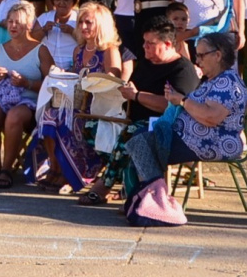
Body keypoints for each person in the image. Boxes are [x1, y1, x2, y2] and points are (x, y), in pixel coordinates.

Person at [117, 33, 247, 225]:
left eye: (202, 55)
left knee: (140, 141)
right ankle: (150, 201)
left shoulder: (226, 83)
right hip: (195, 139)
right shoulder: (215, 80)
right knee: (139, 139)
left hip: (213, 142)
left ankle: (157, 202)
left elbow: (211, 117)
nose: (198, 60)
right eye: (198, 55)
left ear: (218, 55)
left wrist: (183, 100)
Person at [78, 20, 198, 205]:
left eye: (150, 43)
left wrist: (137, 96)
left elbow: (172, 105)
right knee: (90, 126)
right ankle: (124, 179)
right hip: (131, 118)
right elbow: (131, 92)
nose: (144, 47)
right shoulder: (146, 63)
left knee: (131, 134)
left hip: (166, 125)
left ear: (167, 44)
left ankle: (104, 185)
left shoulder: (182, 70)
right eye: (144, 42)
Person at [31, 0, 124, 191]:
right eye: (81, 22)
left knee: (65, 119)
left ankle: (72, 173)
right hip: (77, 102)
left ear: (101, 24)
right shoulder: (78, 50)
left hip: (100, 105)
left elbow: (113, 82)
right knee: (48, 116)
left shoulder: (109, 50)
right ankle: (56, 169)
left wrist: (90, 82)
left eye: (88, 22)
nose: (82, 26)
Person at [0, 2, 51, 187]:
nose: (12, 26)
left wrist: (27, 83)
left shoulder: (40, 50)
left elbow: (52, 86)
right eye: (9, 21)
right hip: (2, 99)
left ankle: (7, 170)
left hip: (30, 102)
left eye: (17, 22)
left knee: (14, 115)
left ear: (29, 24)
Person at [31, 0, 81, 70]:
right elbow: (31, 40)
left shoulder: (79, 19)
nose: (61, 3)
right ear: (53, 1)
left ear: (73, 1)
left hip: (72, 67)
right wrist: (43, 30)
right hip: (47, 68)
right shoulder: (45, 17)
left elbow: (87, 43)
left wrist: (72, 32)